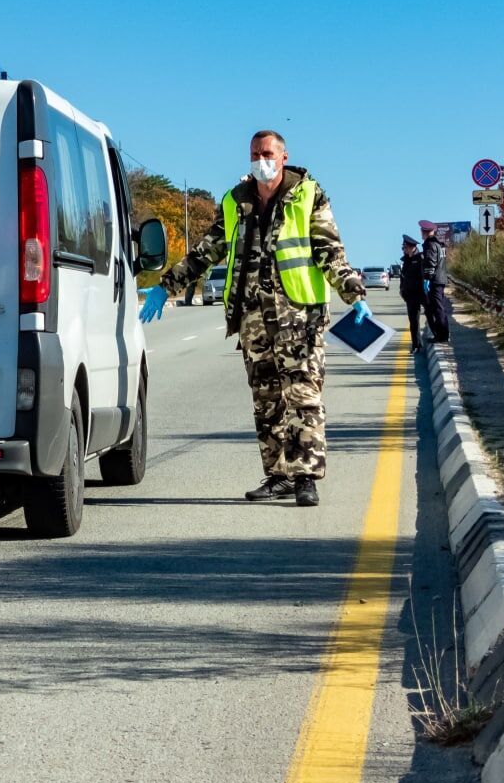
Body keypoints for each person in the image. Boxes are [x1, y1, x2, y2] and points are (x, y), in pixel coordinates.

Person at [139, 130, 368, 507]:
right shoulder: (236, 201)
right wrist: (168, 285)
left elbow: (330, 252)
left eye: (266, 153)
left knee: (303, 397)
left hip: (299, 316)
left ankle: (305, 476)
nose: (260, 160)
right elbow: (206, 251)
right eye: (254, 154)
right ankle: (278, 475)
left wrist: (353, 293)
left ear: (283, 156)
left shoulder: (308, 195)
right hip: (253, 319)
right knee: (267, 401)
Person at [419, 220, 450, 343]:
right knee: (438, 308)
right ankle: (443, 334)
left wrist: (427, 279)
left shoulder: (430, 244)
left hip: (435, 280)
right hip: (440, 279)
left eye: (421, 231)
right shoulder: (438, 244)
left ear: (424, 232)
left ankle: (442, 335)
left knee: (437, 308)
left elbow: (430, 263)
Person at [399, 234, 425, 353]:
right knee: (413, 321)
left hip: (419, 293)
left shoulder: (419, 259)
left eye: (405, 247)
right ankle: (416, 345)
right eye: (403, 247)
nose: (404, 250)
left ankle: (422, 342)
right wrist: (402, 290)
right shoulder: (406, 261)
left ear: (412, 247)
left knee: (428, 316)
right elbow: (403, 277)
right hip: (409, 295)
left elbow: (422, 277)